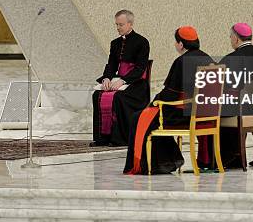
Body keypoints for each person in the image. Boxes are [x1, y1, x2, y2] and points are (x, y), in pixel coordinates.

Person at [124, 26, 214, 174]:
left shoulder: (181, 61)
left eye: (175, 42)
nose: (175, 45)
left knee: (139, 117)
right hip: (205, 114)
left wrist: (155, 102)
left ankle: (157, 164)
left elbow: (170, 94)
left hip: (184, 115)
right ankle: (170, 159)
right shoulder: (208, 59)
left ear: (181, 44)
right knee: (151, 118)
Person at [91, 10, 150, 146]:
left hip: (136, 83)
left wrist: (123, 80)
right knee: (97, 94)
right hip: (118, 81)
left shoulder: (142, 42)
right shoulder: (115, 43)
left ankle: (119, 139)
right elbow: (111, 64)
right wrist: (106, 78)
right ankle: (102, 138)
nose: (118, 28)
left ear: (130, 24)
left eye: (121, 25)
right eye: (116, 25)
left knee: (118, 98)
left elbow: (140, 68)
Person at [218, 23, 253, 167]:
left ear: (235, 38)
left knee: (216, 113)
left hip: (240, 109)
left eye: (230, 37)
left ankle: (232, 158)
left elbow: (221, 84)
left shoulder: (231, 59)